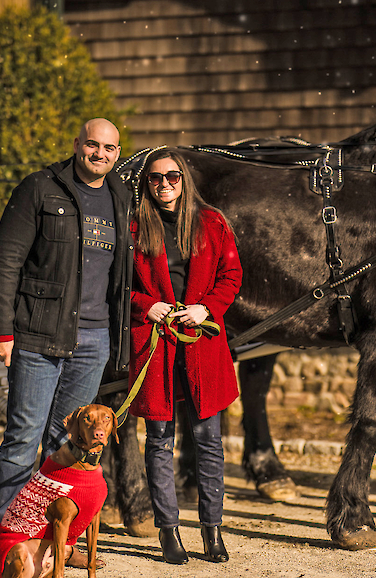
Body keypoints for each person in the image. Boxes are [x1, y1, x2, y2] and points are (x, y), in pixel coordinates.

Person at [0, 118, 133, 575]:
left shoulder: (120, 195)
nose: (100, 153)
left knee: (66, 442)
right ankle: (1, 543)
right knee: (23, 439)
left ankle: (54, 546)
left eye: (109, 148)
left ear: (117, 152)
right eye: (92, 144)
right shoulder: (40, 187)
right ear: (77, 145)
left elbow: (122, 272)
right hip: (38, 333)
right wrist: (0, 330)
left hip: (94, 339)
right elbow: (7, 258)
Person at [128, 148, 242, 564]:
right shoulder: (135, 226)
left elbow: (232, 275)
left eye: (172, 177)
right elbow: (117, 285)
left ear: (184, 179)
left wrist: (206, 307)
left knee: (208, 441)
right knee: (159, 441)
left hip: (200, 344)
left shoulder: (212, 223)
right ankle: (169, 531)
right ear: (147, 183)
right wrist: (146, 305)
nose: (164, 185)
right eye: (156, 178)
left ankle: (212, 531)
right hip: (157, 343)